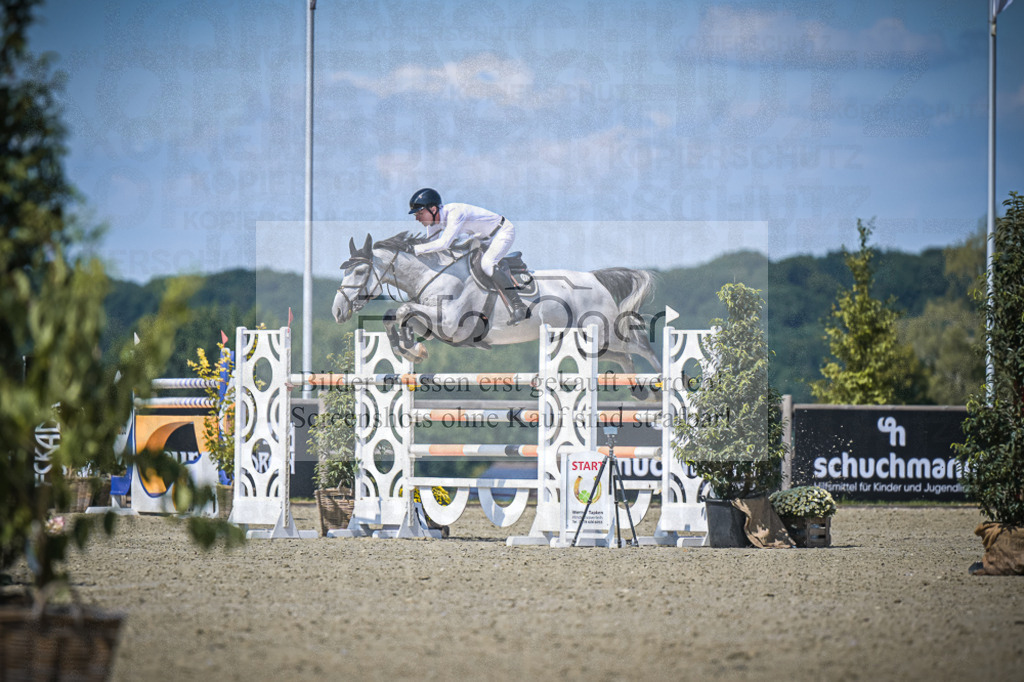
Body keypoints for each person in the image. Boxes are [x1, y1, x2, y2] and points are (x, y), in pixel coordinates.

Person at [408, 188, 529, 325]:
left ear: (433, 209)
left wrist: (414, 249)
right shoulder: (434, 224)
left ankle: (519, 306)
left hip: (502, 232)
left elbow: (443, 243)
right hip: (483, 239)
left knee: (487, 264)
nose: (417, 218)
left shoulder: (455, 213)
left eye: (420, 213)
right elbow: (430, 246)